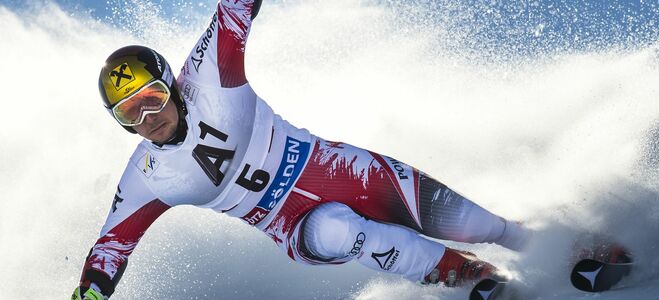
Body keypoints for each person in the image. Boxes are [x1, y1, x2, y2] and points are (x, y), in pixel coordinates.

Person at [72, 1, 531, 299]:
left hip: (335, 168)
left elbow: (235, 8)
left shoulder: (209, 74)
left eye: (151, 99)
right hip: (293, 227)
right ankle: (468, 274)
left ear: (170, 83)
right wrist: (89, 293)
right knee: (337, 231)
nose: (148, 119)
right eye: (129, 114)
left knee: (476, 222)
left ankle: (541, 242)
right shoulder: (147, 176)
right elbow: (111, 246)